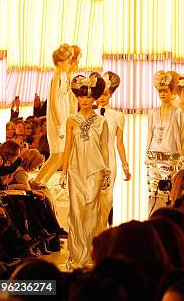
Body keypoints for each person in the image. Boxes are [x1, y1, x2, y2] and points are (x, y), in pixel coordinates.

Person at [60, 73, 110, 268]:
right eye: (82, 96)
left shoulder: (102, 121)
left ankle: (89, 253)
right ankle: (74, 254)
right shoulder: (71, 120)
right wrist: (63, 172)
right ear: (77, 97)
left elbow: (105, 148)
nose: (85, 100)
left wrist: (107, 172)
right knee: (76, 212)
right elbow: (67, 148)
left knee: (92, 212)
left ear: (95, 98)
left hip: (96, 170)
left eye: (89, 96)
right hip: (75, 170)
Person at [146, 71, 184, 213]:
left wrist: (180, 157)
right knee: (152, 193)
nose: (162, 94)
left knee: (167, 192)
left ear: (171, 91)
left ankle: (166, 219)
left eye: (165, 91)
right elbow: (149, 134)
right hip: (153, 157)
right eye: (160, 91)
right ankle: (152, 219)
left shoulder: (177, 112)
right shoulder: (152, 112)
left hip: (170, 158)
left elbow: (181, 136)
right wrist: (147, 155)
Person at [35, 43, 73, 185]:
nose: (69, 64)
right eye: (68, 62)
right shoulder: (56, 76)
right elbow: (53, 102)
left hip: (63, 117)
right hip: (57, 119)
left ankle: (40, 181)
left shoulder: (63, 76)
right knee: (58, 154)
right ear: (60, 63)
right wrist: (60, 125)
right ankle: (41, 181)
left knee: (58, 155)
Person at [97, 71, 131, 226]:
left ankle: (105, 229)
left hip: (110, 159)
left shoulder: (118, 116)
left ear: (111, 94)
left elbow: (120, 143)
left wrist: (125, 166)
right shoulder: (89, 114)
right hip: (92, 159)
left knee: (108, 195)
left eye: (106, 94)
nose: (103, 97)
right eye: (101, 94)